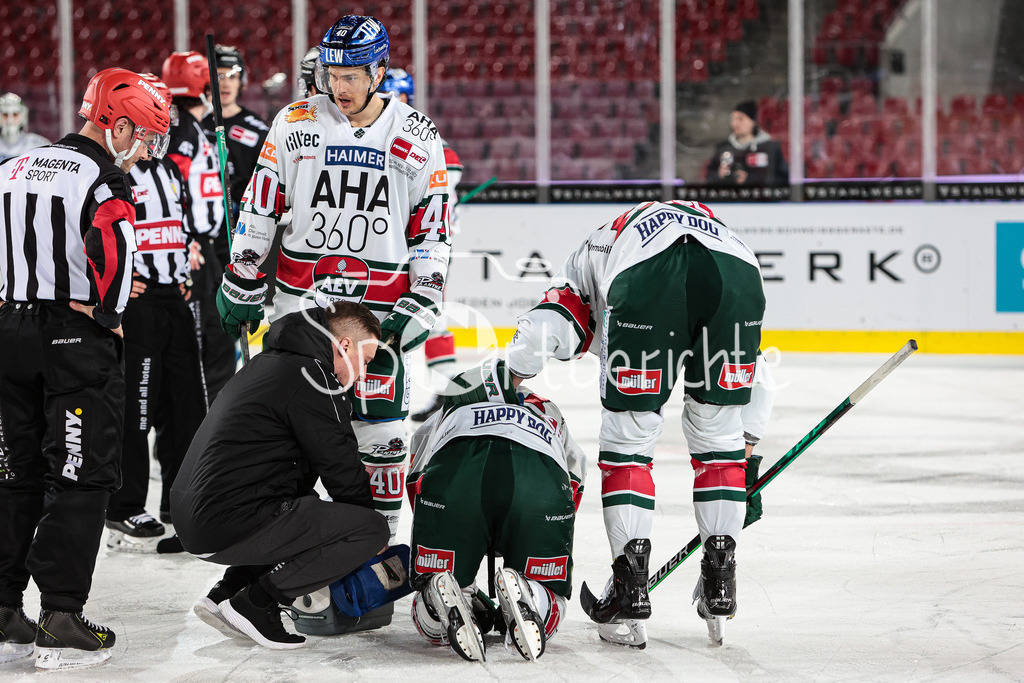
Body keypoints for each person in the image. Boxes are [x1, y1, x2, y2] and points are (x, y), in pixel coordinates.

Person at [218, 15, 453, 541]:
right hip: (302, 310)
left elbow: (433, 229)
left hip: (377, 318)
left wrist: (426, 296)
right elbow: (260, 206)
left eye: (352, 74)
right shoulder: (294, 122)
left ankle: (380, 548)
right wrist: (242, 273)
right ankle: (295, 550)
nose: (339, 86)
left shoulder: (416, 134)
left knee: (383, 437)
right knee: (295, 435)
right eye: (332, 73)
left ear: (380, 71)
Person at [504, 199, 766, 648]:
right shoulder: (701, 229)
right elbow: (758, 365)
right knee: (718, 439)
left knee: (628, 444)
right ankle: (721, 578)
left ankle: (629, 590)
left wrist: (512, 374)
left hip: (649, 277)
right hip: (740, 272)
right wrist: (747, 442)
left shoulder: (583, 264)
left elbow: (545, 325)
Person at [0, 67, 170, 670]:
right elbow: (115, 257)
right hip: (74, 343)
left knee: (15, 472)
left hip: (8, 332)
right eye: (143, 135)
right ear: (115, 123)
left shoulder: (13, 168)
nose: (144, 149)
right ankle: (61, 614)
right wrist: (111, 310)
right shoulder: (105, 180)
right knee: (82, 473)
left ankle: (4, 608)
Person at [171, 302, 390, 650]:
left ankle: (227, 592)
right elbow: (340, 463)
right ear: (345, 346)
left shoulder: (274, 362)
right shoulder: (314, 378)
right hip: (224, 519)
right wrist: (367, 530)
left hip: (198, 516)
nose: (363, 374)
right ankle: (257, 602)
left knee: (305, 507)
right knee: (368, 528)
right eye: (365, 361)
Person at [405, 358, 586, 662]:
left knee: (430, 624)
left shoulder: (448, 408)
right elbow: (573, 485)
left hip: (457, 477)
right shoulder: (547, 408)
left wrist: (446, 527)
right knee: (551, 600)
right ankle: (532, 594)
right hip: (538, 480)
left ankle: (445, 596)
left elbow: (417, 479)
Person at [104, 74, 207, 553]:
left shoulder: (169, 173)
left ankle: (179, 505)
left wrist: (186, 261)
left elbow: (182, 227)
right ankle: (125, 506)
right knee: (137, 407)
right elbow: (101, 237)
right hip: (140, 305)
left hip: (175, 299)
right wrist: (125, 285)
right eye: (150, 129)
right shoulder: (115, 174)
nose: (156, 139)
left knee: (188, 405)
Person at [378, 68, 466, 423]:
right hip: (387, 245)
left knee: (431, 317)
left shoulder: (423, 137)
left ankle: (445, 391)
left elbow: (449, 173)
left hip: (425, 248)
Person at [161, 51, 236, 404]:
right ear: (206, 86)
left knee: (214, 336)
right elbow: (169, 184)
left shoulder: (183, 125)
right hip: (193, 249)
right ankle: (210, 424)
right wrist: (185, 237)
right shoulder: (183, 129)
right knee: (212, 340)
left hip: (197, 245)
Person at [202, 45, 271, 221]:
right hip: (202, 218)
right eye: (219, 76)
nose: (225, 83)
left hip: (242, 220)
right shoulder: (195, 124)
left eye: (232, 77)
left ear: (242, 82)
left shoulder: (258, 130)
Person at [705, 100, 788, 187]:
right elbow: (708, 177)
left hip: (760, 199)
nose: (734, 124)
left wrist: (749, 179)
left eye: (740, 118)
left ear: (753, 121)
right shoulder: (724, 147)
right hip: (729, 198)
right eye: (733, 119)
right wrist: (719, 175)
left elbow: (783, 179)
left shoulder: (771, 148)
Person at [0, 93, 50, 162]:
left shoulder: (38, 144)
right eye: (5, 115)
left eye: (15, 114)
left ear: (23, 116)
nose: (10, 121)